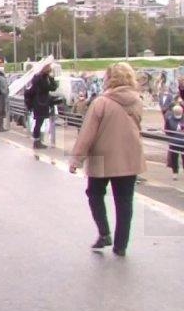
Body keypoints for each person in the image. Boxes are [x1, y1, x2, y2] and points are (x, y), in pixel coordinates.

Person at [69, 62, 146, 257]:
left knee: (94, 193)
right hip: (129, 155)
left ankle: (104, 233)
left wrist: (76, 159)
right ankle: (121, 245)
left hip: (101, 156)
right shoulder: (137, 100)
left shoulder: (101, 102)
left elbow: (87, 133)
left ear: (109, 79)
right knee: (125, 201)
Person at [29, 63, 58, 149]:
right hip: (41, 103)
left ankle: (37, 141)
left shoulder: (37, 78)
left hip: (37, 103)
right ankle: (37, 142)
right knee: (39, 123)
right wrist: (51, 78)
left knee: (38, 123)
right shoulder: (42, 79)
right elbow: (52, 87)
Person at [166, 105, 184, 181]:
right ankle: (175, 173)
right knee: (174, 158)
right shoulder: (169, 119)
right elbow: (167, 129)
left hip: (181, 141)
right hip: (174, 141)